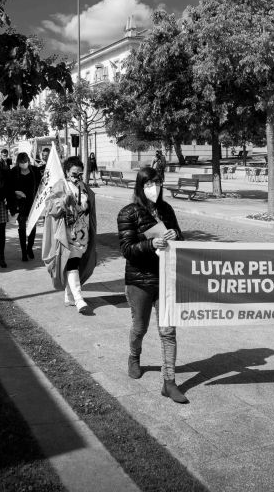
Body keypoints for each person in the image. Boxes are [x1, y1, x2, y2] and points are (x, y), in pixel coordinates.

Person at [117, 167, 188, 403]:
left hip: (166, 278)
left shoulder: (166, 209)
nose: (153, 188)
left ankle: (169, 382)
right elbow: (127, 249)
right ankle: (134, 357)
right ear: (140, 186)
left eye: (157, 183)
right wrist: (151, 243)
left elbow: (180, 236)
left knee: (168, 331)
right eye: (148, 184)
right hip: (140, 280)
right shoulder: (128, 213)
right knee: (140, 327)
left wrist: (175, 236)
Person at [42, 156, 97, 315]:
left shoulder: (84, 187)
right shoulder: (61, 185)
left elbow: (88, 207)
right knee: (71, 262)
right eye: (74, 173)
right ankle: (79, 300)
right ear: (66, 172)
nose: (77, 176)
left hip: (82, 232)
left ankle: (69, 296)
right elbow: (50, 207)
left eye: (80, 173)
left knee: (76, 263)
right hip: (65, 233)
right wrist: (63, 201)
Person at [7, 152, 42, 261]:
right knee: (22, 227)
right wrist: (15, 193)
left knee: (32, 226)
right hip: (20, 203)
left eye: (25, 161)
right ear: (18, 162)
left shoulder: (35, 171)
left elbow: (41, 185)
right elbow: (8, 188)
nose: (24, 164)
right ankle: (23, 252)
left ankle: (29, 248)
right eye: (22, 162)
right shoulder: (14, 172)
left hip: (33, 203)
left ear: (28, 161)